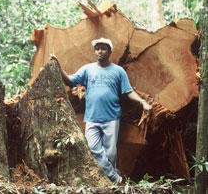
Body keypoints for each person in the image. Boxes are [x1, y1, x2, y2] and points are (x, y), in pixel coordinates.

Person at [50, 37, 152, 185]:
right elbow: (70, 81)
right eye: (97, 48)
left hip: (111, 117)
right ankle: (116, 179)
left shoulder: (118, 71)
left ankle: (108, 183)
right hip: (92, 117)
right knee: (93, 149)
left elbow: (128, 91)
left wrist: (142, 102)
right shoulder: (87, 69)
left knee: (110, 153)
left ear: (110, 52)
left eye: (103, 48)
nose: (100, 51)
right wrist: (58, 65)